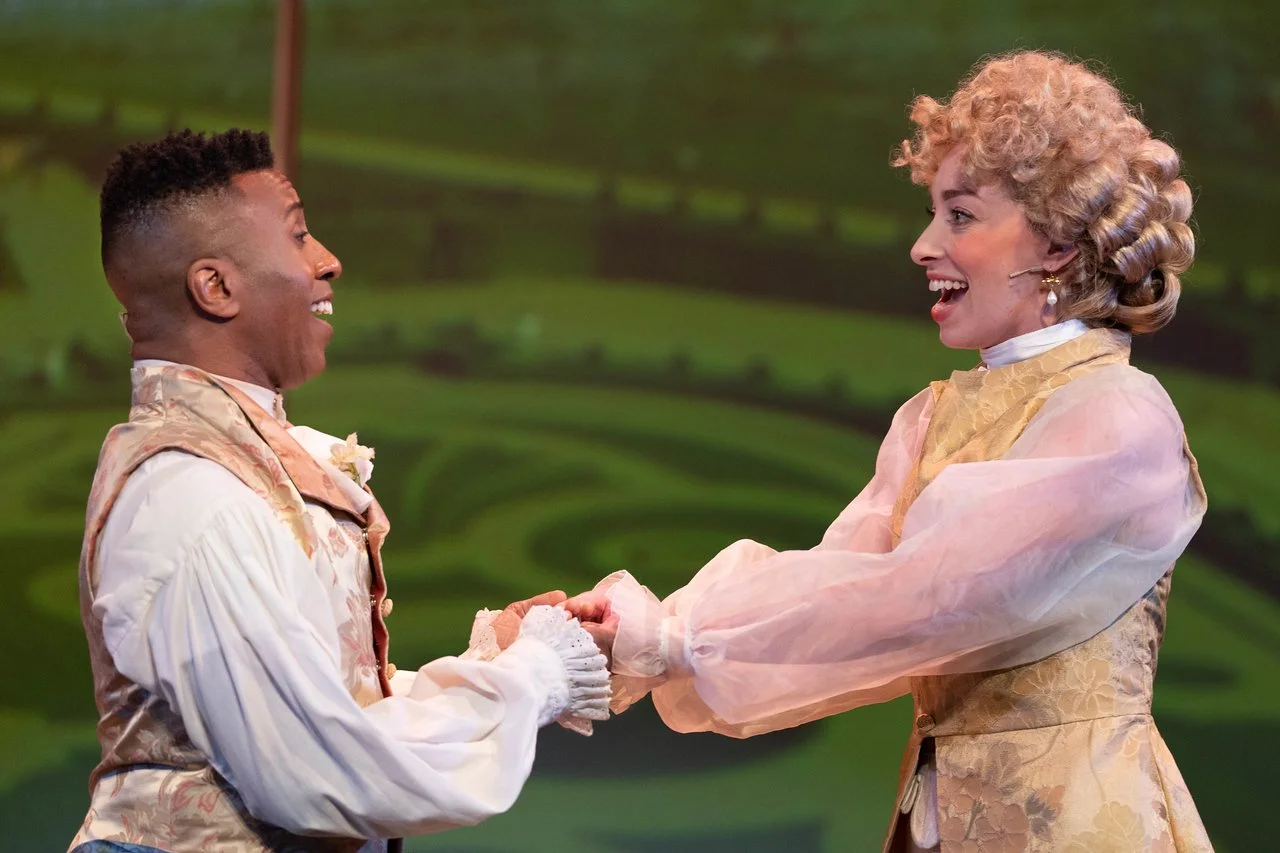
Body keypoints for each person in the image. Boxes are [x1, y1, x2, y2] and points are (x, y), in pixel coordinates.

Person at [566, 51, 1212, 852]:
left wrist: (668, 639)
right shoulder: (931, 415)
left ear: (1052, 241)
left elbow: (920, 598)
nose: (923, 244)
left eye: (961, 215)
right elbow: (841, 585)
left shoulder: (1117, 415)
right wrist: (646, 635)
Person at [71, 129, 610, 853]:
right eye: (297, 237)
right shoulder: (199, 499)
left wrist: (493, 661)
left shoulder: (230, 467)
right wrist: (537, 672)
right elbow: (327, 774)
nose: (328, 260)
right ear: (216, 287)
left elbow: (322, 716)